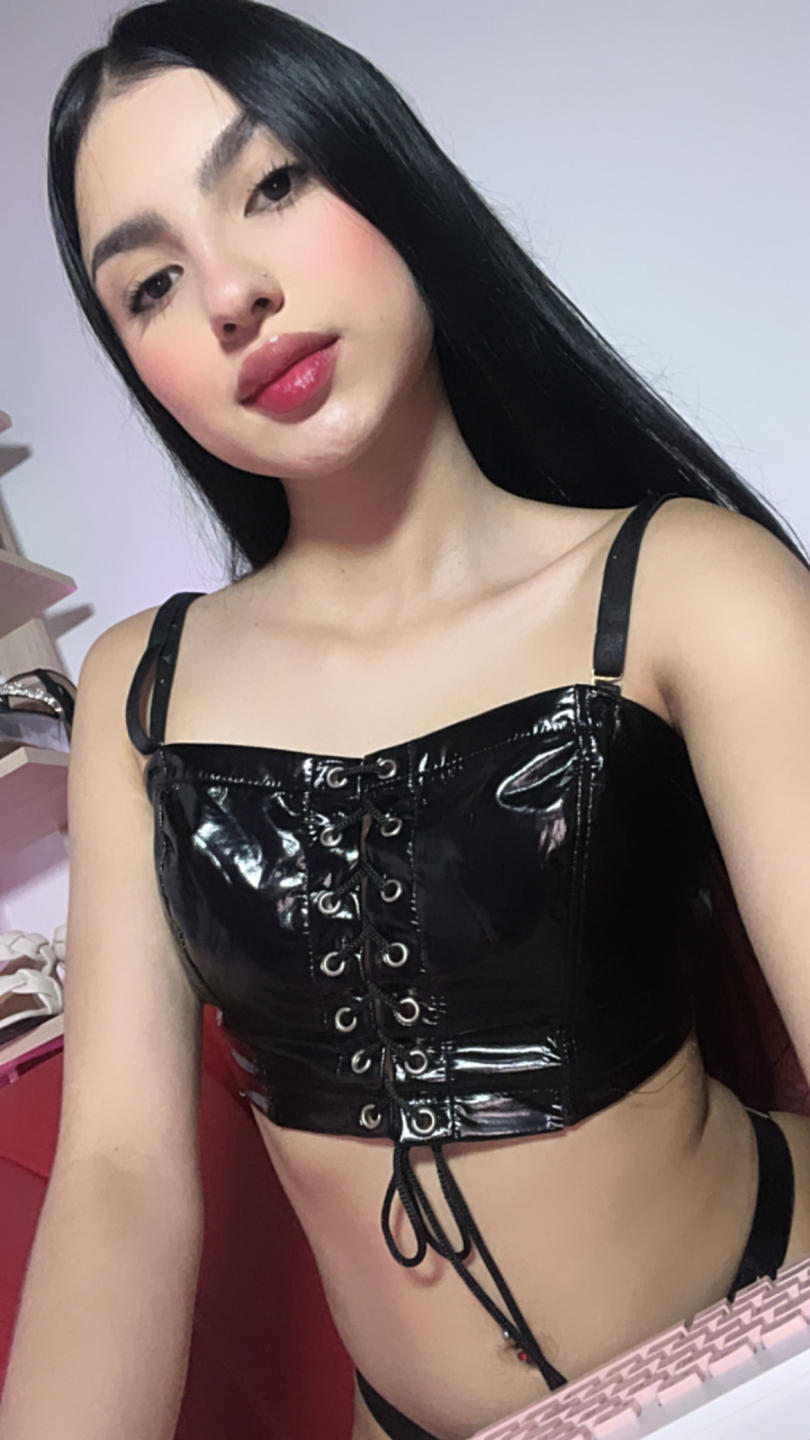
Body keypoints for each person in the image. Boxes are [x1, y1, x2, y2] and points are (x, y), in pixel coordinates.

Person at [2, 3, 809, 1438]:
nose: (231, 294)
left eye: (272, 185)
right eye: (151, 285)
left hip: (765, 1343)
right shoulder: (140, 690)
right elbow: (120, 1180)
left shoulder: (686, 585)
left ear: (391, 179)